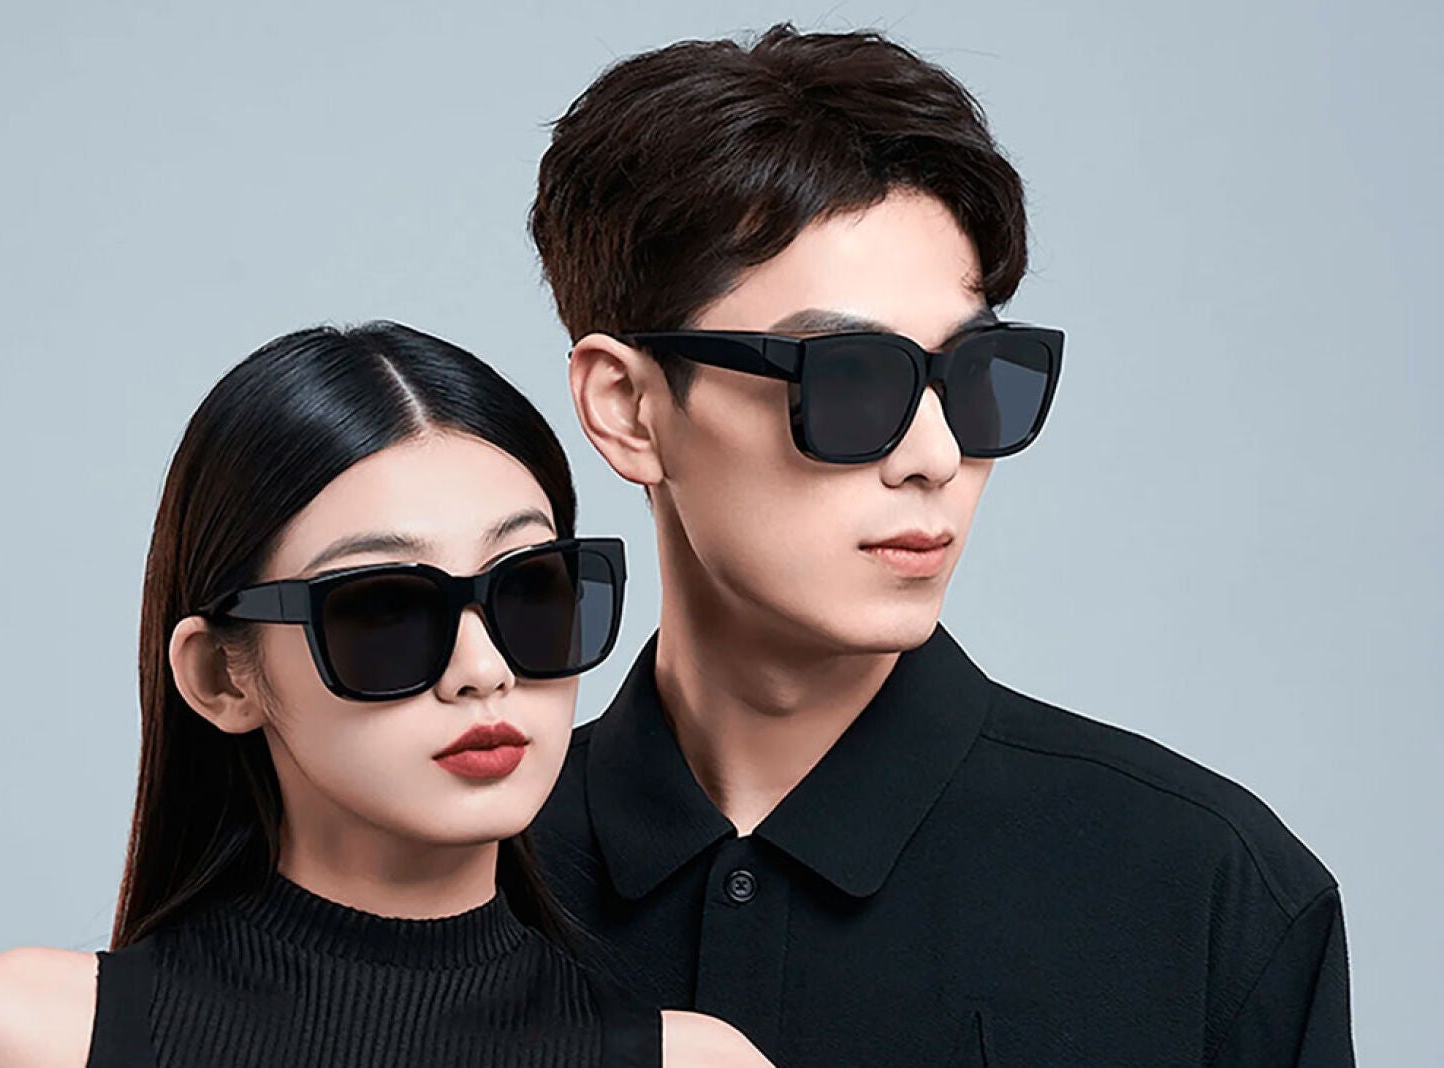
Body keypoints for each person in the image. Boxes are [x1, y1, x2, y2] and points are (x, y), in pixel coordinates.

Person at [527, 26, 1354, 1067]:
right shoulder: (451, 874)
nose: (936, 454)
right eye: (847, 379)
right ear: (628, 409)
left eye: (974, 378)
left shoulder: (1207, 893)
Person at [0, 322, 771, 1067]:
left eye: (529, 591)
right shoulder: (14, 1039)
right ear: (220, 675)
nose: (483, 668)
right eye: (384, 611)